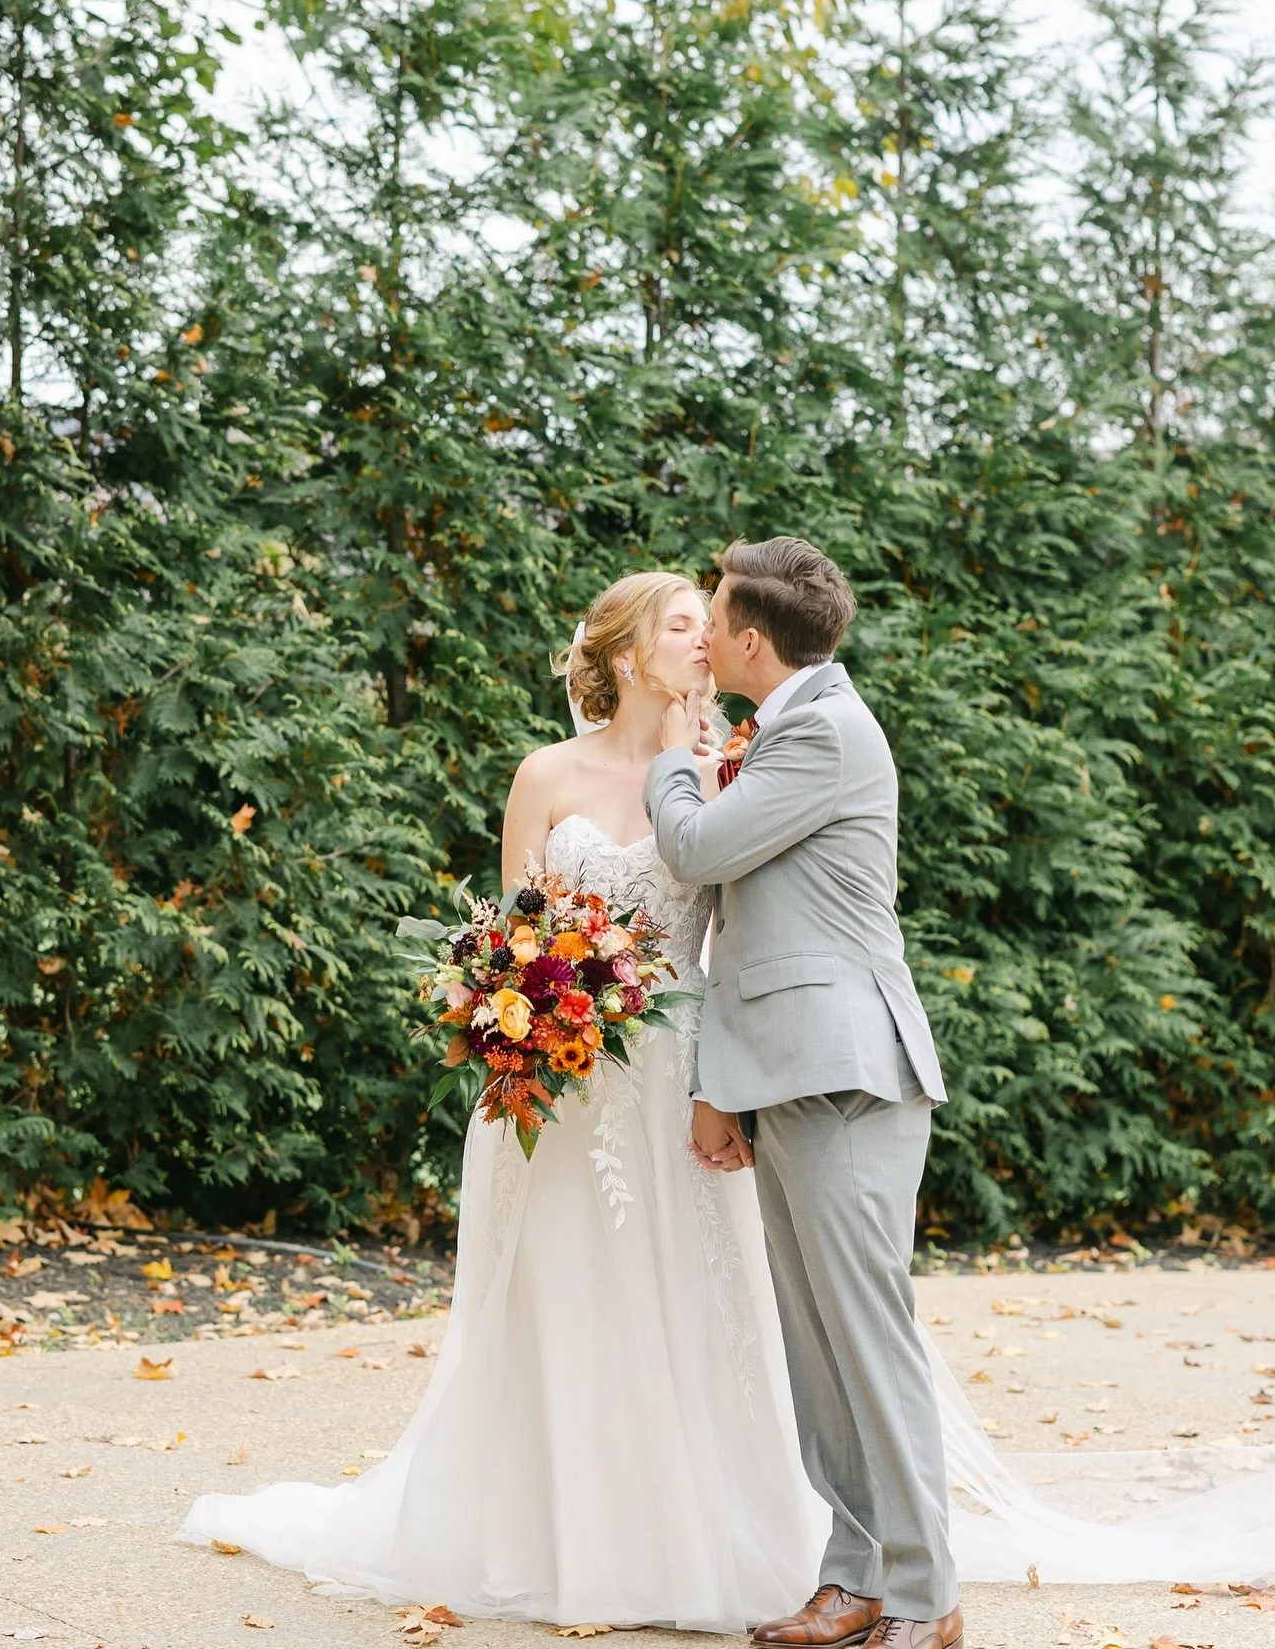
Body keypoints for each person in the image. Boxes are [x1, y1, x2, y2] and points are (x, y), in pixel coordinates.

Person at [177, 570, 830, 1629]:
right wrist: (523, 1001)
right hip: (559, 1079)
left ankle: (704, 1534)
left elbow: (732, 939)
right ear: (625, 656)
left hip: (679, 1076)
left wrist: (727, 1085)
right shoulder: (547, 772)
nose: (707, 638)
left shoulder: (725, 773)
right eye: (682, 624)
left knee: (688, 1294)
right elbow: (509, 928)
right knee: (565, 1293)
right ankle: (560, 1537)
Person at [645, 537, 961, 1649]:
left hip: (845, 1072)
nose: (709, 632)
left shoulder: (822, 730)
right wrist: (719, 1086)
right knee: (818, 1347)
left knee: (867, 1342)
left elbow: (691, 852)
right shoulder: (789, 726)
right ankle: (855, 1577)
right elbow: (746, 929)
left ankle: (926, 1598)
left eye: (718, 615)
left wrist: (675, 757)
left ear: (747, 639)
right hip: (785, 1070)